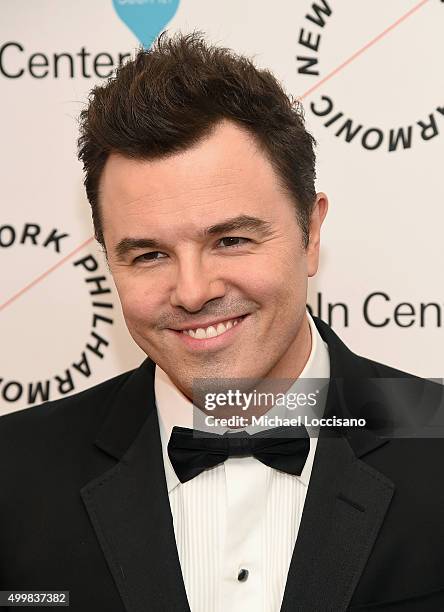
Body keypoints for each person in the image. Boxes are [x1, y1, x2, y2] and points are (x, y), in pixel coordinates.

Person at [1, 31, 443, 612]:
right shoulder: (14, 473)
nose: (192, 291)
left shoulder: (434, 437)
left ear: (311, 234)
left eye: (230, 240)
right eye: (149, 254)